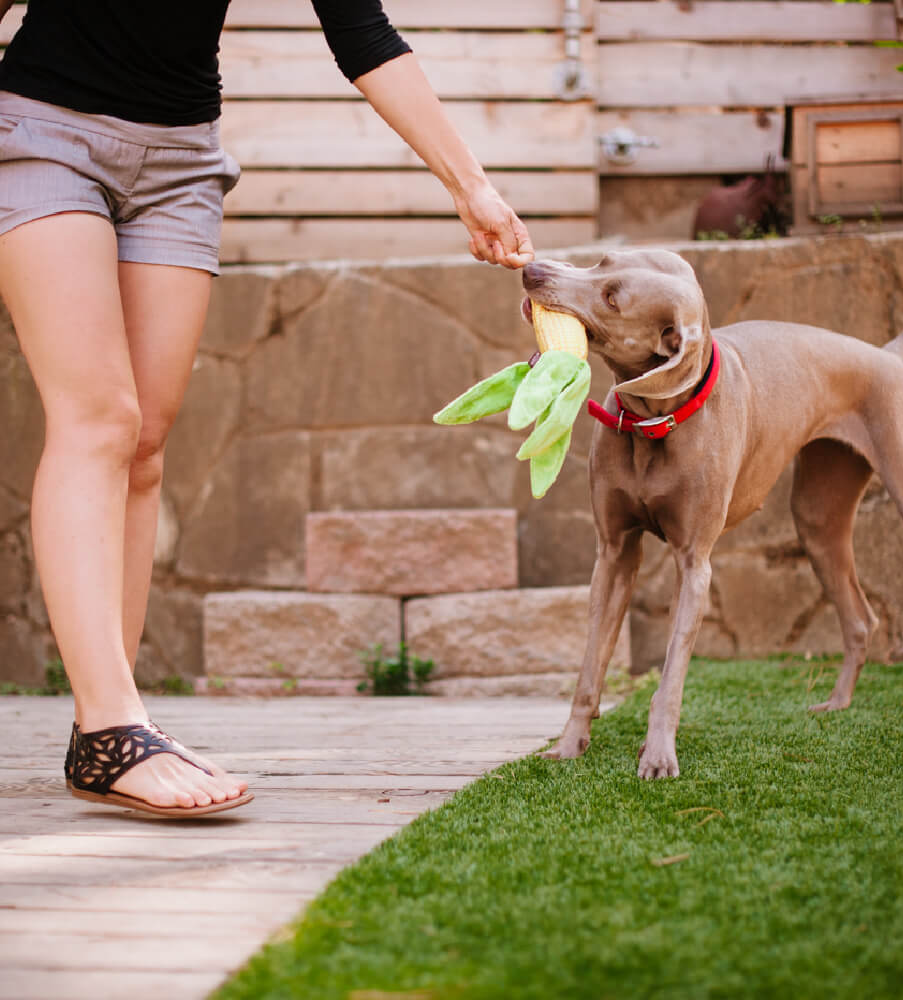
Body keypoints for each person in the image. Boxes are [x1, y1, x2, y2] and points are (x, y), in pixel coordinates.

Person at [0, 0, 535, 817]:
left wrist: (474, 188)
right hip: (42, 131)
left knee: (144, 442)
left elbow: (361, 32)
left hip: (180, 159)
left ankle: (102, 727)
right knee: (98, 419)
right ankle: (115, 727)